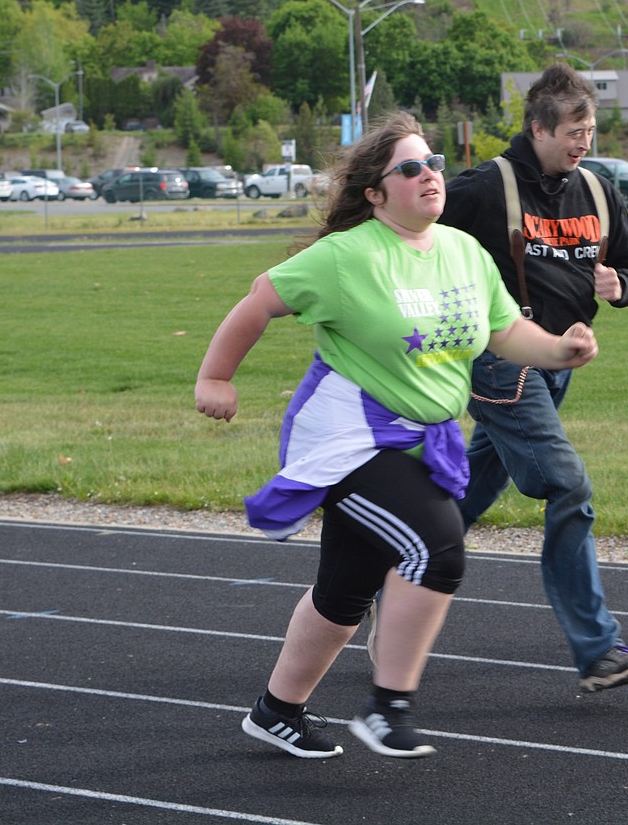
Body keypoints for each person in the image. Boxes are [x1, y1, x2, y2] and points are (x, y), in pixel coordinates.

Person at [195, 112, 600, 760]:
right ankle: (388, 707)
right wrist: (216, 377)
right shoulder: (344, 257)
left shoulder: (463, 252)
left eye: (434, 162)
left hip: (423, 441)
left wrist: (560, 349)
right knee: (438, 549)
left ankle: (276, 710)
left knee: (346, 590)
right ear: (375, 194)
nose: (429, 174)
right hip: (352, 439)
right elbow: (259, 300)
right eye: (409, 168)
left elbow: (501, 332)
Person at [439, 63, 628, 692]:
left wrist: (621, 288)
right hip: (501, 361)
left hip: (561, 367)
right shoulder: (484, 187)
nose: (584, 141)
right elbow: (415, 243)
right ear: (538, 127)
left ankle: (389, 571)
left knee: (473, 489)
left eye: (590, 130)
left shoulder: (599, 192)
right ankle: (599, 648)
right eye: (573, 130)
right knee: (567, 486)